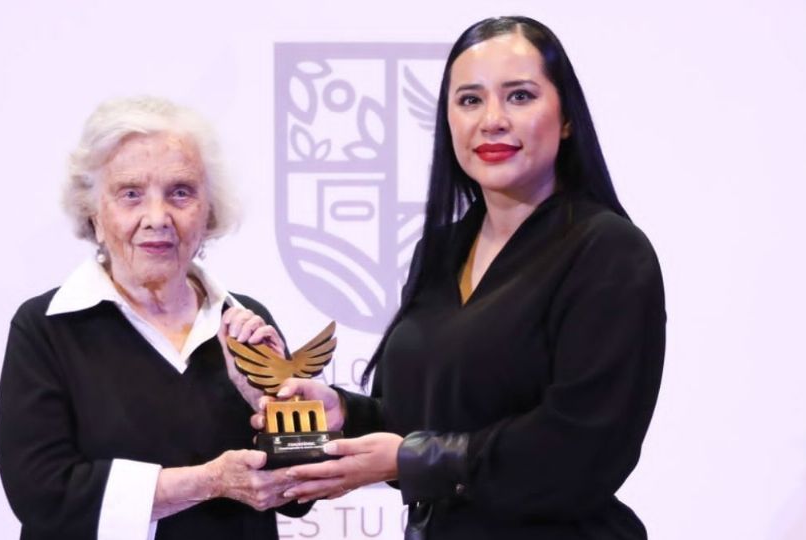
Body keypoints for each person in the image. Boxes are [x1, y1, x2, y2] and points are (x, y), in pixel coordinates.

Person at [263, 16, 666, 540]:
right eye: (470, 100)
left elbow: (582, 448)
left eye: (519, 96)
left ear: (566, 118)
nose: (492, 120)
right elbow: (430, 418)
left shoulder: (608, 252)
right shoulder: (442, 251)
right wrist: (346, 413)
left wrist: (412, 459)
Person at [0, 96, 309, 540]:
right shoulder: (47, 327)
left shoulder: (243, 321)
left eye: (181, 192)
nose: (157, 218)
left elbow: (303, 491)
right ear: (94, 213)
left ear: (208, 212)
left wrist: (270, 404)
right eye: (131, 194)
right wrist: (210, 481)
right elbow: (43, 494)